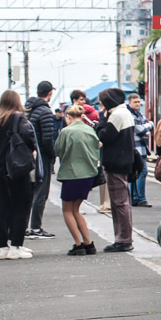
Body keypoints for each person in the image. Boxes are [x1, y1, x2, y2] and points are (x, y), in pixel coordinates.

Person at [0, 90, 39, 262]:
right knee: (21, 206)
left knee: (1, 207)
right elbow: (29, 138)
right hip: (16, 168)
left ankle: (1, 247)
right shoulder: (18, 118)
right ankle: (15, 246)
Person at [94, 89, 137, 252]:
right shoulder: (124, 112)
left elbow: (105, 136)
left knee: (119, 203)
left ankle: (123, 239)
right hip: (123, 162)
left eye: (102, 102)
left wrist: (100, 120)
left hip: (116, 163)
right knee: (121, 202)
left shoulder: (117, 115)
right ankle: (123, 238)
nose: (101, 105)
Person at [55, 105, 101, 255]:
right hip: (88, 175)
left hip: (71, 174)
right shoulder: (90, 130)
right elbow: (97, 148)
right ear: (82, 116)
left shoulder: (66, 131)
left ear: (67, 116)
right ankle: (88, 243)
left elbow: (58, 150)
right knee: (76, 210)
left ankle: (78, 244)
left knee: (67, 210)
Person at [25, 81, 59, 238]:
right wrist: (53, 155)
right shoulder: (45, 111)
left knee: (29, 192)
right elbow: (47, 138)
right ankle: (36, 228)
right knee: (41, 192)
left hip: (28, 154)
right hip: (41, 156)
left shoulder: (28, 109)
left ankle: (24, 227)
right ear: (50, 93)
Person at [127, 92, 153, 207]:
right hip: (137, 148)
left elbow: (145, 125)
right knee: (142, 172)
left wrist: (147, 125)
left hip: (140, 148)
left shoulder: (138, 114)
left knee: (135, 173)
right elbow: (141, 130)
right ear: (129, 102)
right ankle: (141, 198)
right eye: (135, 102)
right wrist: (149, 125)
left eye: (138, 102)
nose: (138, 104)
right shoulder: (131, 116)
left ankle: (135, 198)